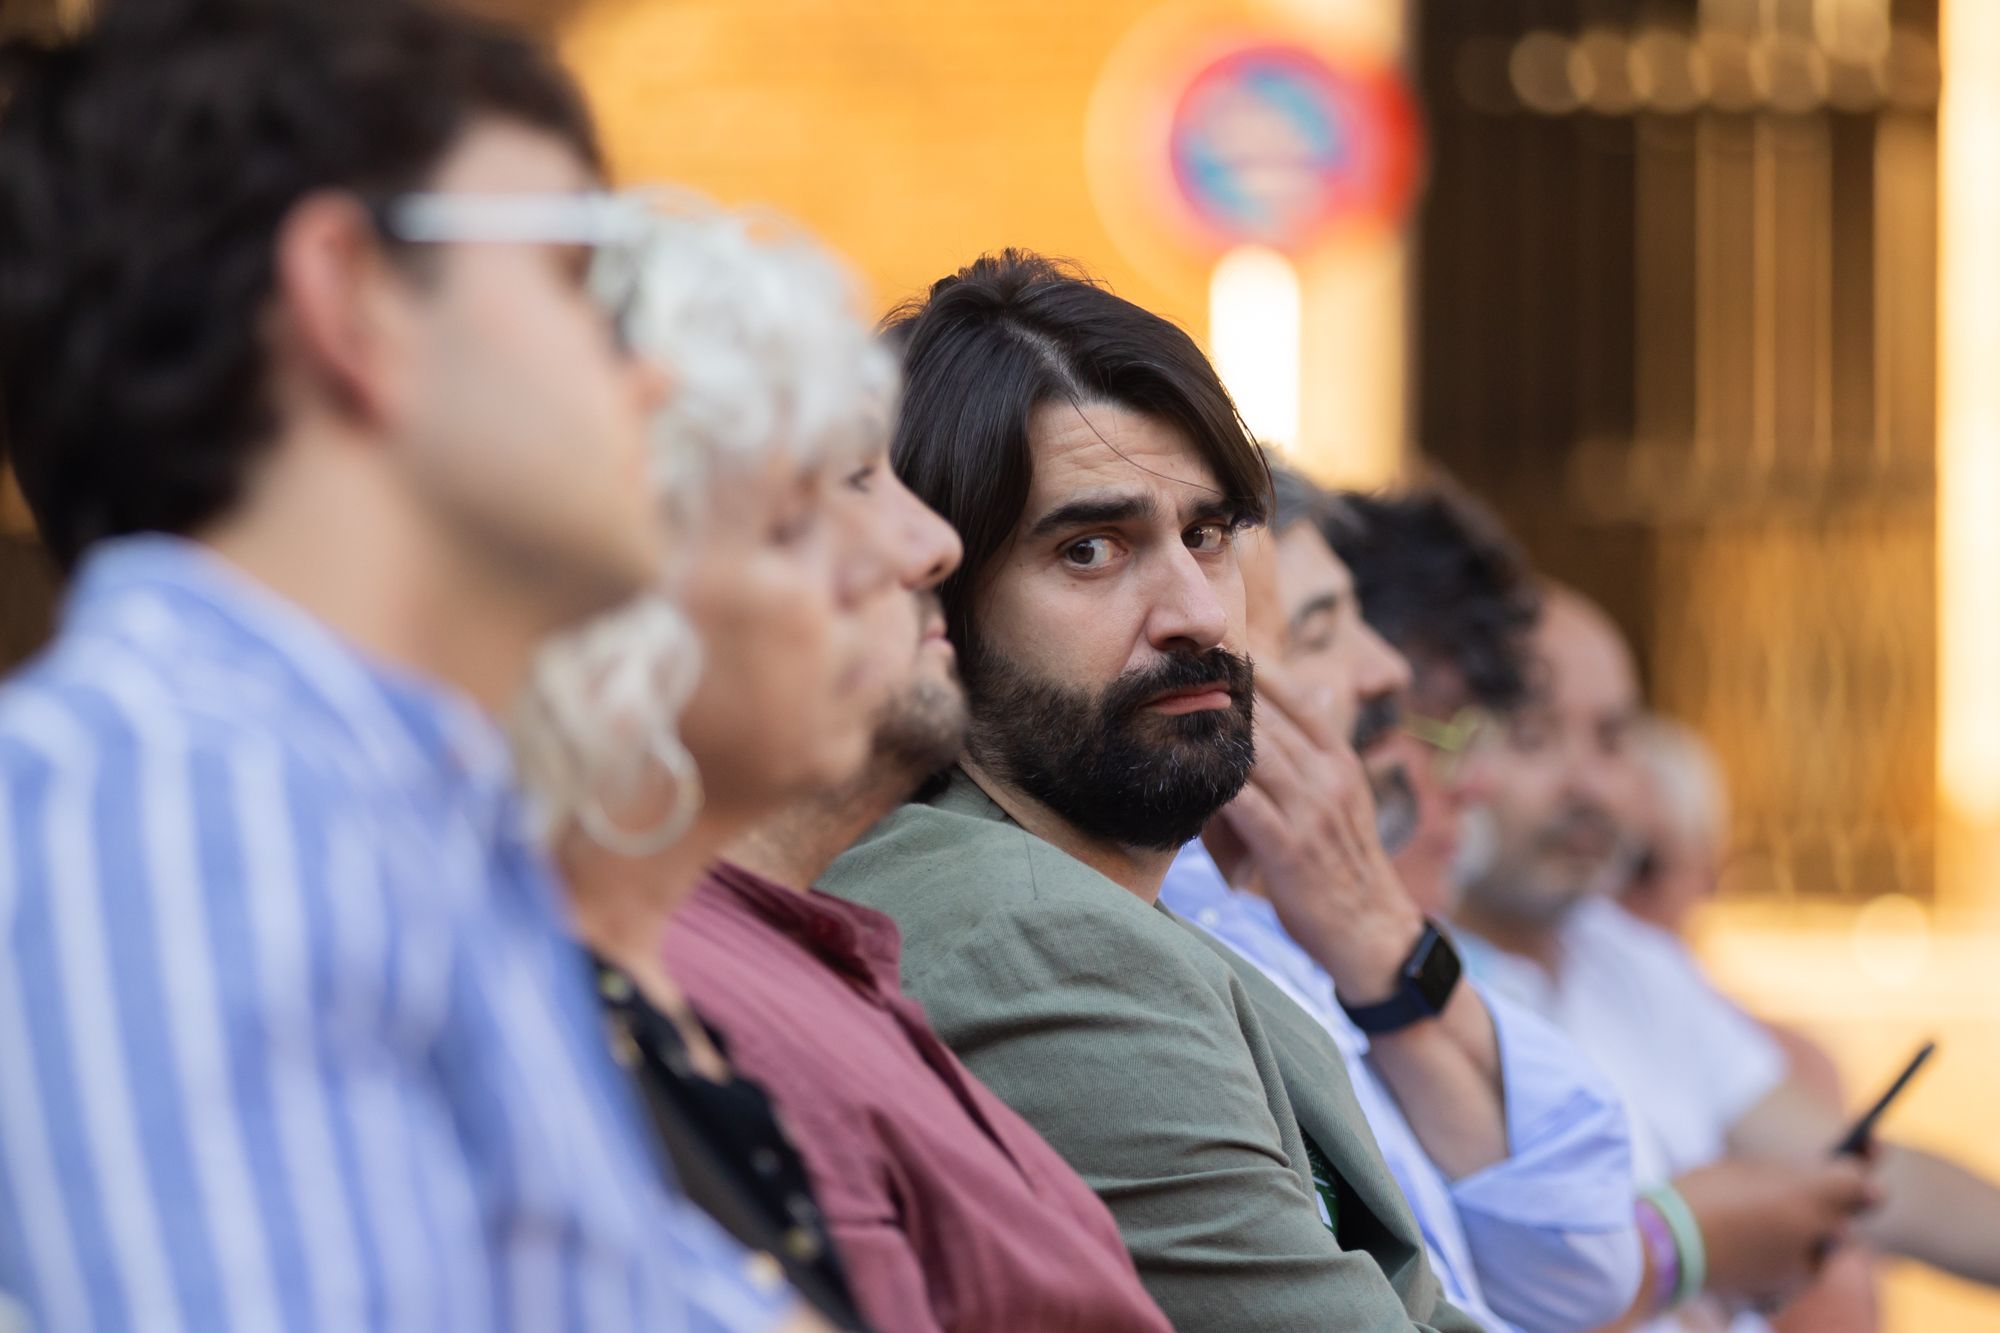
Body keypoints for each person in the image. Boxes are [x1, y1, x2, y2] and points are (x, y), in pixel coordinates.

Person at [0, 4, 805, 1328]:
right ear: (352, 294)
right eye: (580, 275)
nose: (650, 374)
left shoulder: (383, 810)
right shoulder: (184, 799)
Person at [817, 249, 1480, 1331]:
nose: (1198, 614)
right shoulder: (1038, 944)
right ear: (934, 605)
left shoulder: (1088, 903)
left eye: (1205, 536)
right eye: (1089, 549)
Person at [1161, 471, 1641, 1333]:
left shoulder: (1317, 925)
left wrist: (1380, 942)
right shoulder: (1185, 951)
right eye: (1319, 632)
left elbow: (1585, 1253)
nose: (1384, 667)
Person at [1457, 585, 2000, 1329]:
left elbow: (1866, 1175)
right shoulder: (1399, 988)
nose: (1585, 783)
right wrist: (1691, 1241)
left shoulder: (1626, 959)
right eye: (1532, 735)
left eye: (1612, 737)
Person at [1621, 717, 1880, 1333]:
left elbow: (1837, 1307)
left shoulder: (1787, 1060)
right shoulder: (1537, 1007)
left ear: (1712, 868)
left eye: (1643, 866)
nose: (1610, 897)